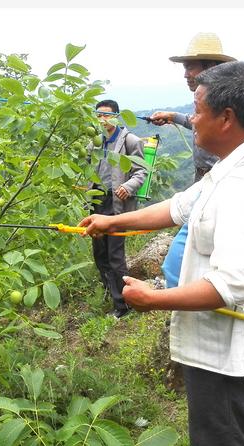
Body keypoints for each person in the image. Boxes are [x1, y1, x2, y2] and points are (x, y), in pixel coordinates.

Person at [79, 61, 244, 446]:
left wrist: (153, 299)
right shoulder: (234, 164)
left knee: (221, 437)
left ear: (226, 118)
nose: (191, 119)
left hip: (228, 352)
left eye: (197, 109)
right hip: (218, 344)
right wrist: (111, 222)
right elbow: (179, 206)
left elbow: (230, 285)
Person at [150, 32, 235, 288]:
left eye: (190, 67)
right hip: (204, 180)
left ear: (210, 67)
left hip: (217, 184)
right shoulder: (208, 96)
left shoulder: (225, 101)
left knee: (191, 247)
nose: (185, 73)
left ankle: (184, 294)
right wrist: (174, 116)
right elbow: (196, 123)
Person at [88, 100, 147, 319]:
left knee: (115, 255)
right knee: (100, 253)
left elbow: (141, 172)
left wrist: (128, 186)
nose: (102, 120)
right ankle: (111, 293)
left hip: (117, 205)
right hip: (97, 203)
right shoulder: (94, 142)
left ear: (117, 116)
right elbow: (87, 166)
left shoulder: (129, 141)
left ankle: (124, 305)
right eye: (99, 116)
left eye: (106, 115)